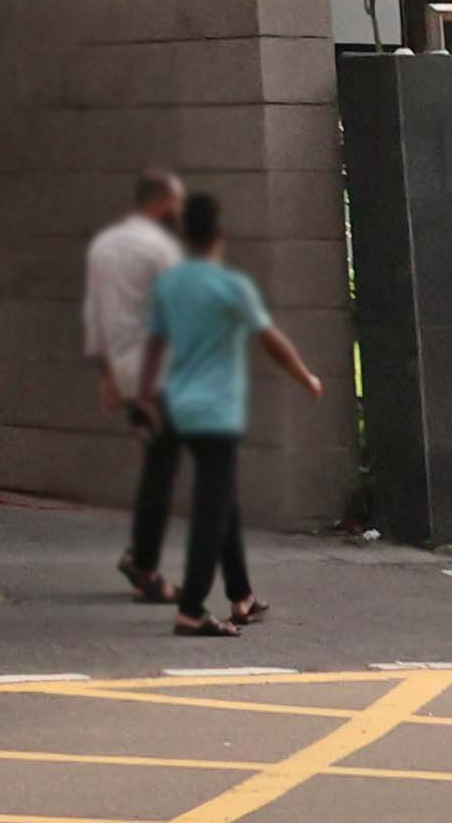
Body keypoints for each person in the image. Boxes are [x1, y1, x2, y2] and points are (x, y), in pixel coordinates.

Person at [134, 188, 324, 637]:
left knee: (224, 502)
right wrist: (305, 377)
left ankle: (241, 596)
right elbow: (271, 340)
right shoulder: (231, 287)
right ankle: (192, 609)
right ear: (220, 233)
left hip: (175, 406)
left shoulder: (170, 284)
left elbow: (153, 345)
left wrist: (143, 396)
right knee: (211, 509)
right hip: (215, 413)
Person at [81, 169, 186, 602]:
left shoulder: (105, 246)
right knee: (164, 468)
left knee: (159, 462)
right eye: (177, 203)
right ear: (163, 203)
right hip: (156, 373)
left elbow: (96, 314)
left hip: (125, 369)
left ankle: (141, 556)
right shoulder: (162, 250)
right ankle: (143, 563)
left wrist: (108, 377)